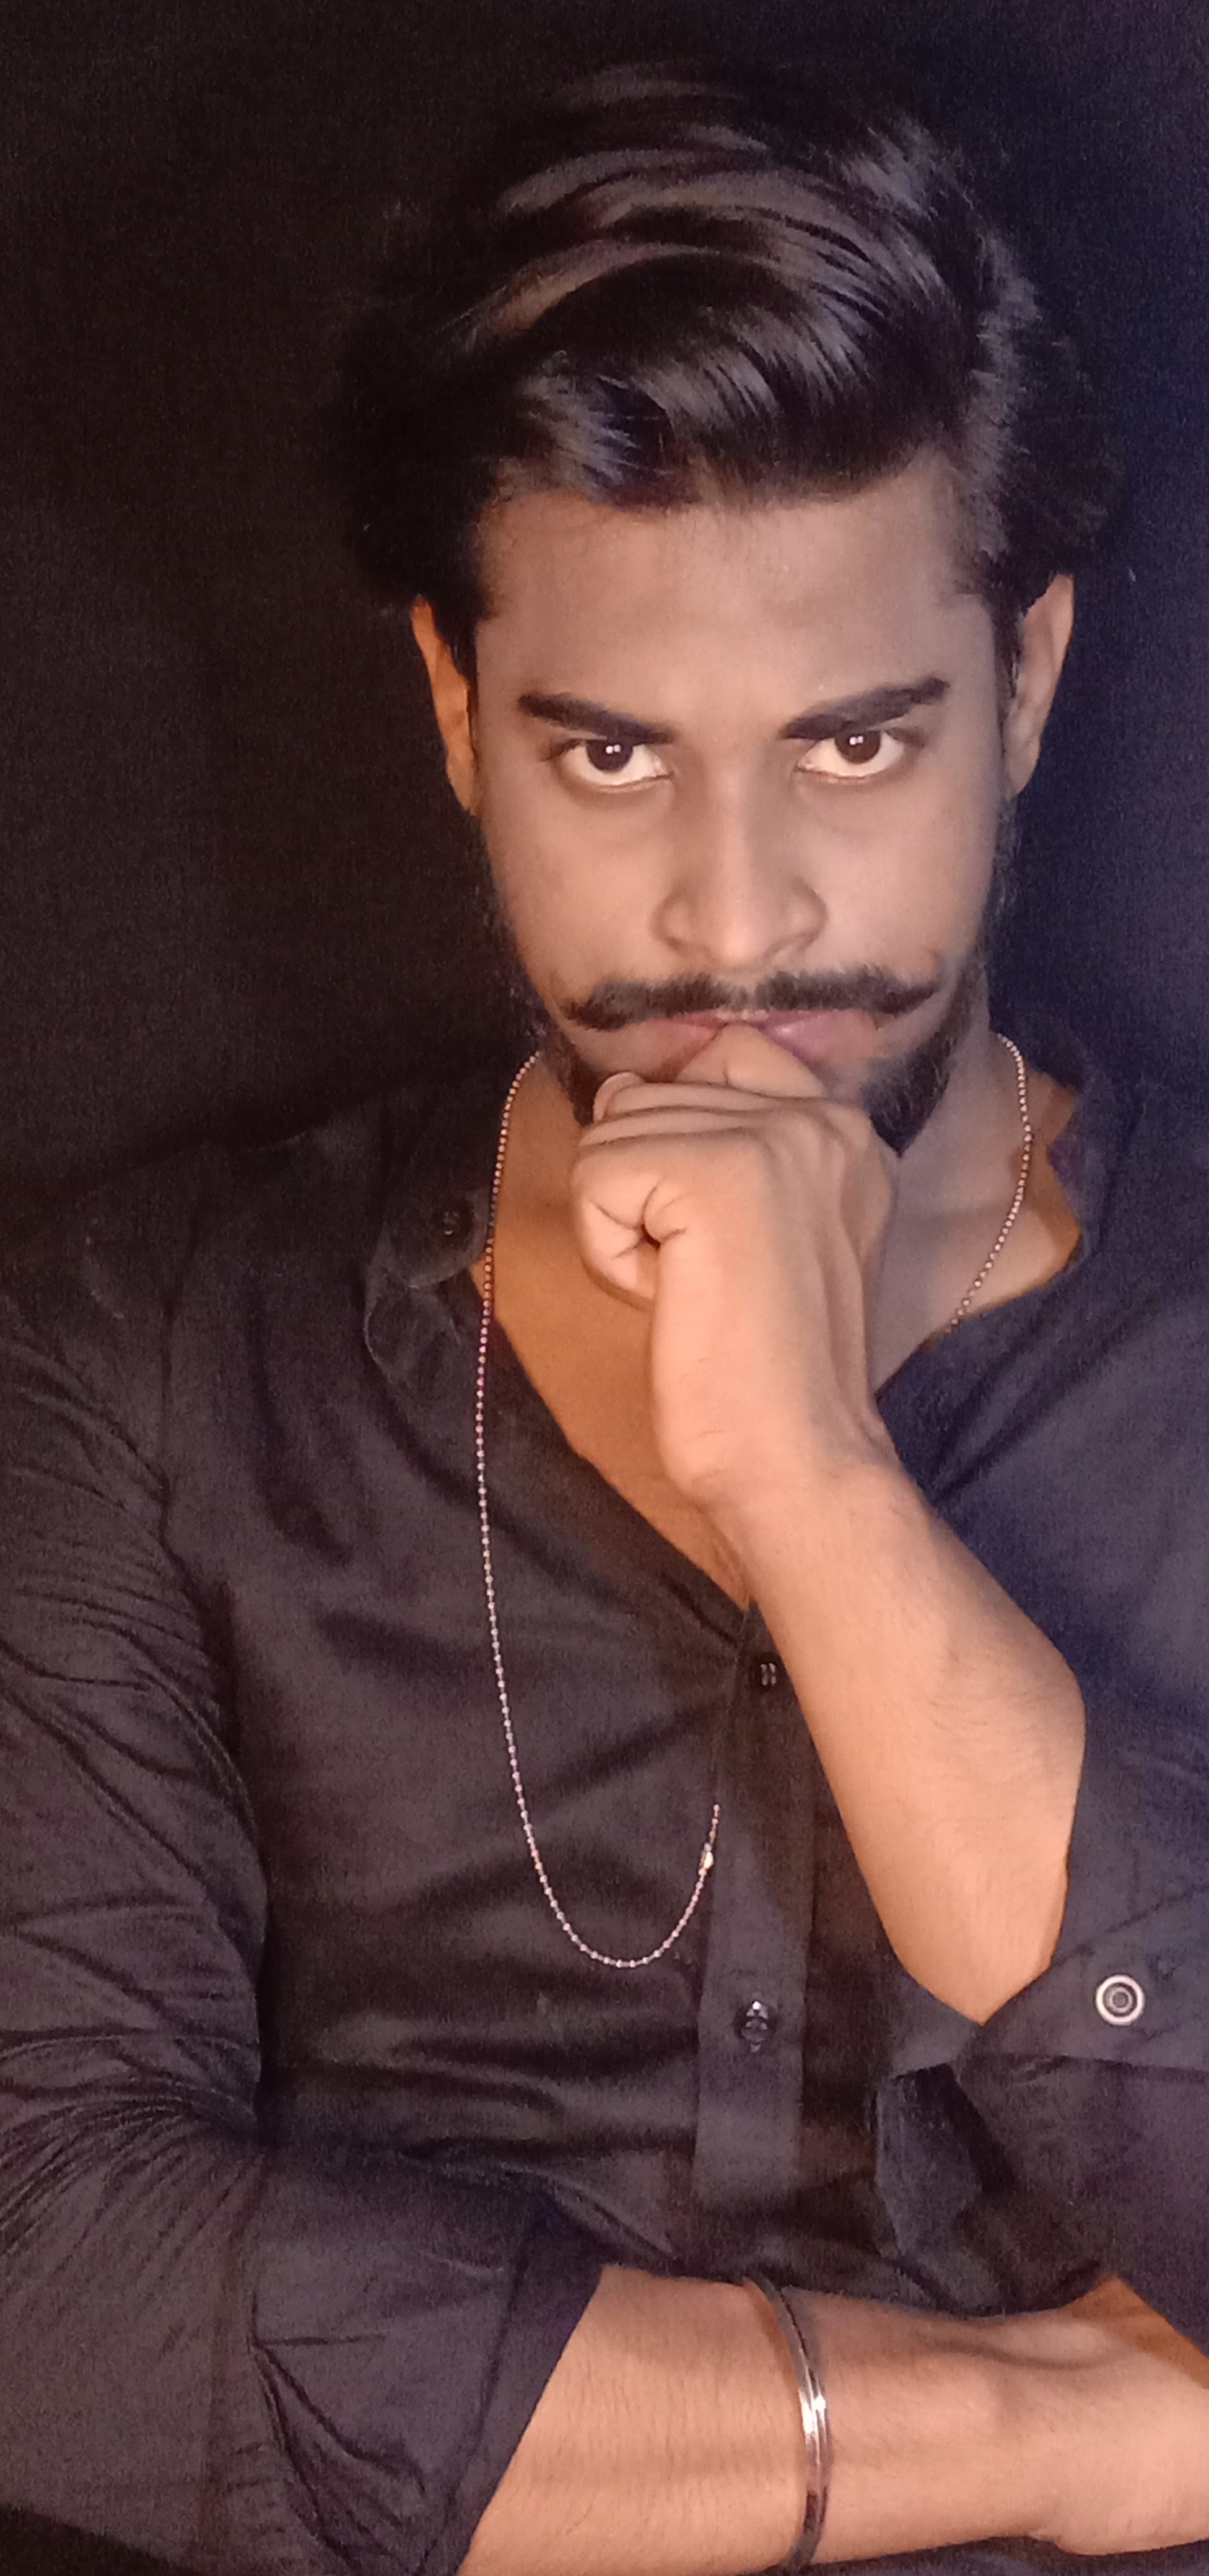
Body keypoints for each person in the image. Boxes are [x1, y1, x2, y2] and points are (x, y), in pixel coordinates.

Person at [3, 53, 1209, 2576]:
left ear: (1028, 682)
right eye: (613, 757)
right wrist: (1047, 2431)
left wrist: (814, 1483)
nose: (734, 921)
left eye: (851, 743)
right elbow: (46, 2282)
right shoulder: (150, 1354)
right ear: (459, 713)